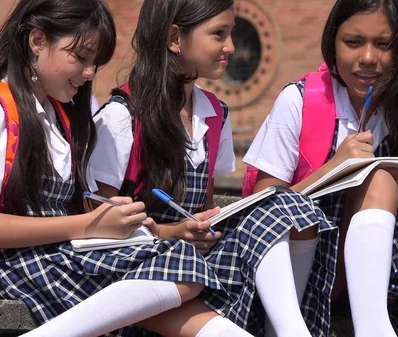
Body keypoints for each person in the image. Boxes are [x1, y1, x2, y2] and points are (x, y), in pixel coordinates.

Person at [0, 1, 247, 336]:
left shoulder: (57, 116)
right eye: (80, 57)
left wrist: (112, 216)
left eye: (95, 62)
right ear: (37, 41)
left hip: (62, 255)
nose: (90, 73)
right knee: (183, 267)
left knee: (188, 285)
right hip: (19, 266)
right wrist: (92, 225)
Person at [91, 0, 334, 336]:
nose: (230, 47)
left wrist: (203, 227)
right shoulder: (122, 117)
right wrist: (171, 233)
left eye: (231, 33)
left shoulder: (214, 114)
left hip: (192, 267)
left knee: (282, 204)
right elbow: (96, 228)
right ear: (175, 38)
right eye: (219, 34)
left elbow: (202, 209)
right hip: (134, 275)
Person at [244, 0, 398, 336]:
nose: (368, 58)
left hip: (391, 277)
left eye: (384, 44)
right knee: (378, 180)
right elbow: (263, 208)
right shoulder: (299, 100)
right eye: (353, 42)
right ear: (332, 42)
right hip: (307, 273)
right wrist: (336, 168)